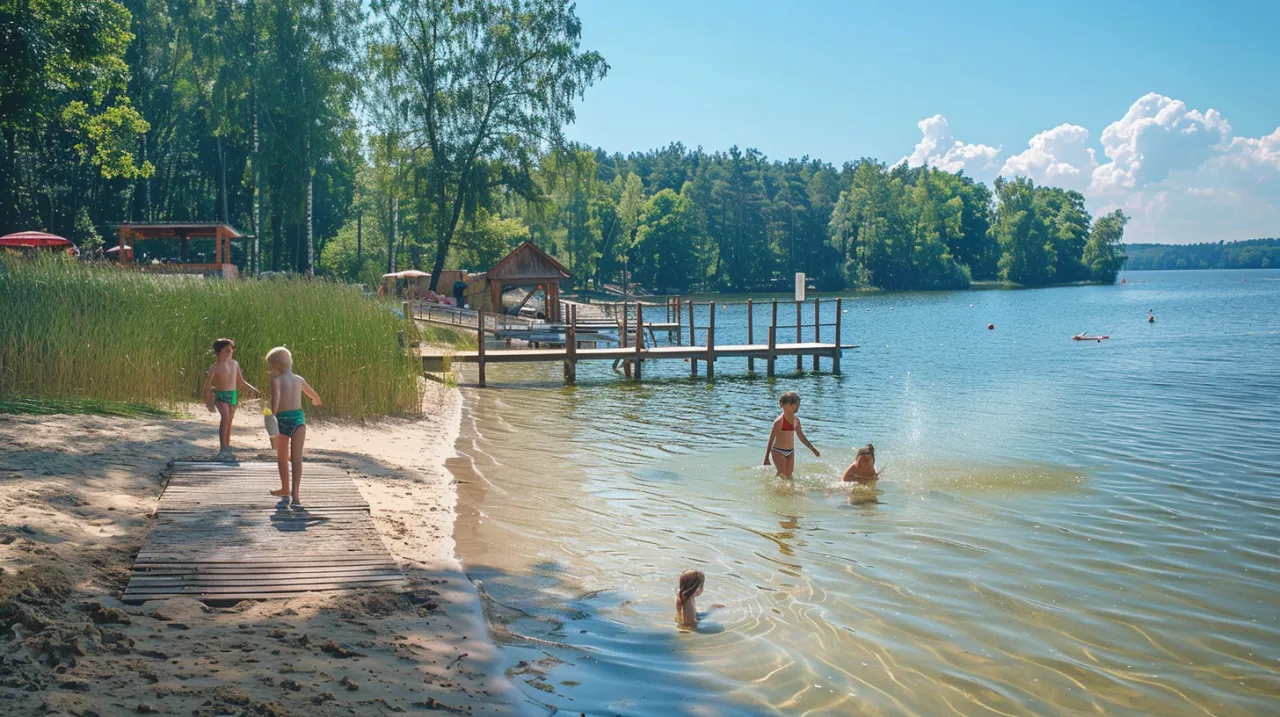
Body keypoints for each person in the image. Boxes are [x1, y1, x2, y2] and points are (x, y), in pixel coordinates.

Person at [265, 346, 322, 510]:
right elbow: (314, 395)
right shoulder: (299, 379)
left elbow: (275, 402)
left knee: (282, 458)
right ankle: (295, 495)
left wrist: (271, 419)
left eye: (271, 366)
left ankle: (285, 488)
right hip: (298, 419)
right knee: (297, 459)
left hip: (282, 420)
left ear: (276, 365)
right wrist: (316, 401)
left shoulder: (276, 380)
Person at [203, 338, 258, 458]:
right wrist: (209, 402)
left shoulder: (234, 364)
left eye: (232, 349)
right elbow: (207, 386)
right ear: (219, 350)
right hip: (221, 395)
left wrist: (252, 389)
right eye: (227, 349)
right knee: (226, 418)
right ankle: (223, 448)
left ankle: (227, 446)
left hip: (232, 395)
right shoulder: (215, 367)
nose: (230, 351)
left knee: (230, 421)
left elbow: (241, 381)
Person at [764, 392, 820, 479]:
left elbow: (801, 436)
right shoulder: (779, 421)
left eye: (799, 404)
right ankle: (776, 488)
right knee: (783, 475)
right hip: (778, 451)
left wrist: (812, 449)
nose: (798, 407)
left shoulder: (796, 421)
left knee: (789, 475)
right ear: (787, 405)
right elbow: (771, 439)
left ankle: (783, 487)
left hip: (791, 452)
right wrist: (766, 457)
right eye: (796, 405)